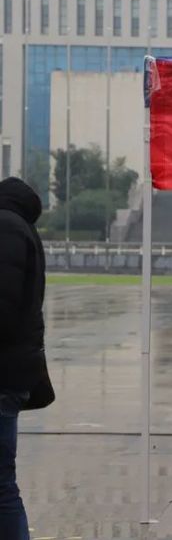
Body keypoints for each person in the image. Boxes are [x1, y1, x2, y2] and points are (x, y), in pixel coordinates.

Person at [0, 178, 55, 539]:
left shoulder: (5, 226)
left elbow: (3, 308)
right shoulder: (20, 228)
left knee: (1, 484)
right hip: (13, 374)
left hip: (2, 374)